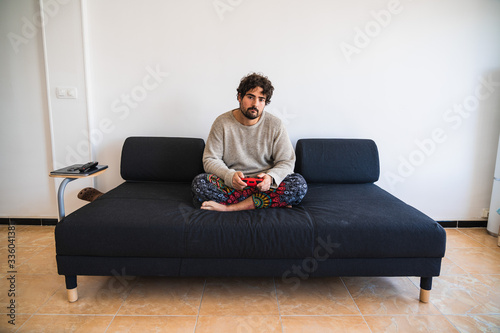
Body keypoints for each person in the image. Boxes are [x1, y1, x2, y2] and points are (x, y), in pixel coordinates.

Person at [192, 73, 307, 212]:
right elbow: (210, 159)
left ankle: (230, 208)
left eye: (261, 99)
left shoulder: (276, 124)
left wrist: (270, 178)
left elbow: (287, 161)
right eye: (250, 97)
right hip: (234, 185)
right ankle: (269, 202)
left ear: (265, 102)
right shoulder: (222, 122)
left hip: (265, 185)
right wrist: (229, 176)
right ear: (240, 97)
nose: (255, 104)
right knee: (200, 183)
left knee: (298, 184)